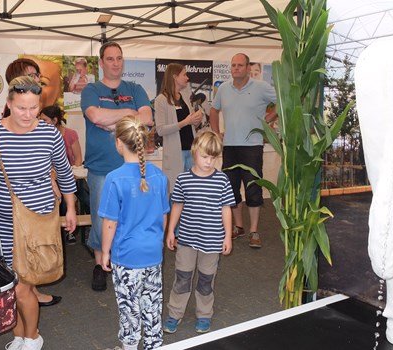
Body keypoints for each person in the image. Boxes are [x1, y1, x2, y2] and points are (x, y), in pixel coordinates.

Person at [0, 76, 77, 350]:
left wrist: (71, 208)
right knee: (8, 287)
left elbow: (64, 173)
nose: (28, 115)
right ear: (8, 104)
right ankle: (20, 335)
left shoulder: (49, 133)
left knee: (23, 287)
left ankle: (32, 337)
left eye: (33, 108)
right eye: (21, 108)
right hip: (4, 225)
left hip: (39, 221)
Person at [81, 41, 153, 292]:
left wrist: (114, 120)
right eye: (110, 59)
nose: (115, 63)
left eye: (119, 58)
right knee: (102, 219)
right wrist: (128, 113)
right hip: (101, 167)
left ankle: (124, 261)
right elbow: (96, 117)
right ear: (101, 62)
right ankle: (101, 265)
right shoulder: (91, 89)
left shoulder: (135, 88)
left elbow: (147, 118)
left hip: (133, 166)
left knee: (131, 216)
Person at [99, 116, 169, 350]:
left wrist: (105, 252)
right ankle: (153, 344)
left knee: (129, 306)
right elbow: (164, 215)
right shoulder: (159, 176)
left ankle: (129, 346)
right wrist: (158, 240)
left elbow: (110, 222)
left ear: (119, 143)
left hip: (127, 256)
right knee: (152, 304)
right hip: (152, 253)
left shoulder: (114, 179)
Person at [3, 58, 63, 307]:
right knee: (18, 259)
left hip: (38, 201)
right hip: (13, 205)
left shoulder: (44, 127)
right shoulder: (2, 125)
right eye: (31, 75)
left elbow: (50, 159)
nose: (36, 79)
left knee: (33, 252)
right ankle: (27, 294)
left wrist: (55, 184)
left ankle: (29, 290)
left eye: (37, 75)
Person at [163, 131, 235, 335]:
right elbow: (177, 205)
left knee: (206, 280)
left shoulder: (222, 180)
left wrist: (227, 236)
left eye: (214, 157)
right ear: (194, 152)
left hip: (212, 242)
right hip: (186, 239)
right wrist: (171, 232)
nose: (209, 162)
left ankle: (204, 315)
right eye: (205, 156)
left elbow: (226, 209)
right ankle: (175, 313)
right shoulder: (183, 179)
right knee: (182, 277)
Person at [209, 53, 277, 249]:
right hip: (229, 146)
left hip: (252, 147)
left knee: (253, 189)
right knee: (231, 190)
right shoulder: (223, 88)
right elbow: (214, 110)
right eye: (233, 65)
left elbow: (282, 100)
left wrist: (268, 119)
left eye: (240, 65)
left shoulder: (261, 87)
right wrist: (215, 132)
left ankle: (254, 231)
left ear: (248, 68)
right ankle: (238, 227)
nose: (235, 68)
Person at [39, 104, 89, 245]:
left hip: (70, 175)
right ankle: (68, 231)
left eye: (44, 120)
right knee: (63, 198)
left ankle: (93, 226)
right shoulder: (40, 135)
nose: (41, 123)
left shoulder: (70, 134)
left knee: (86, 196)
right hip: (52, 177)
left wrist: (73, 171)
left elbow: (78, 157)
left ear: (55, 120)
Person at [154, 63, 204, 192]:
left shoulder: (185, 97)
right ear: (175, 76)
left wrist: (196, 121)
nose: (187, 78)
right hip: (175, 153)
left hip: (191, 151)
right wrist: (185, 122)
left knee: (191, 191)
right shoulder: (161, 100)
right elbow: (160, 129)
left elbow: (190, 123)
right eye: (184, 74)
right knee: (176, 192)